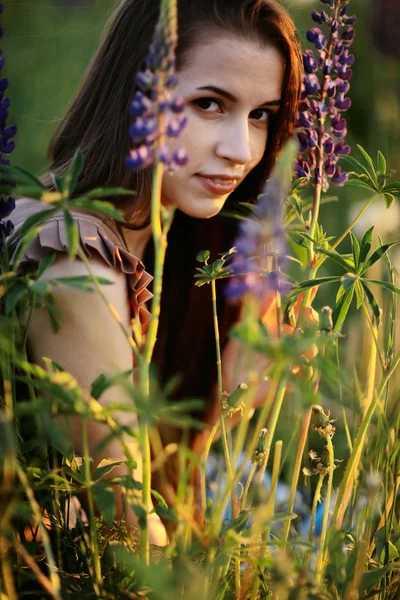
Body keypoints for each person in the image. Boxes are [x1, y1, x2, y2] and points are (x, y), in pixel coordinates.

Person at [7, 0, 303, 545]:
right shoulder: (77, 256)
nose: (242, 150)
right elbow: (125, 530)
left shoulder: (166, 240)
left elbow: (163, 483)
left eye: (261, 114)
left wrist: (230, 392)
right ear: (137, 99)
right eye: (210, 104)